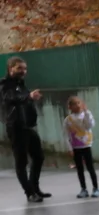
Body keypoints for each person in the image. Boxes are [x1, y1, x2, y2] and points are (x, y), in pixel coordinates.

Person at [0, 57, 48, 203]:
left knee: (38, 157)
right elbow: (10, 99)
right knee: (21, 162)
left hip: (27, 126)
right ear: (11, 69)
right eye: (19, 68)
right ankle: (29, 193)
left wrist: (30, 98)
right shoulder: (5, 85)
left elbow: (24, 99)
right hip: (15, 127)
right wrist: (29, 96)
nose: (23, 71)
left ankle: (35, 187)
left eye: (25, 68)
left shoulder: (21, 85)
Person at [64, 96, 99, 199]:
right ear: (70, 107)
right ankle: (83, 189)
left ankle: (96, 188)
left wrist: (87, 113)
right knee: (79, 169)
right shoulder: (68, 119)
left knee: (90, 167)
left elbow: (89, 125)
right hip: (76, 147)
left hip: (86, 145)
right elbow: (66, 134)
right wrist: (69, 148)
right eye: (74, 104)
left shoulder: (86, 114)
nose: (77, 106)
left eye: (78, 103)